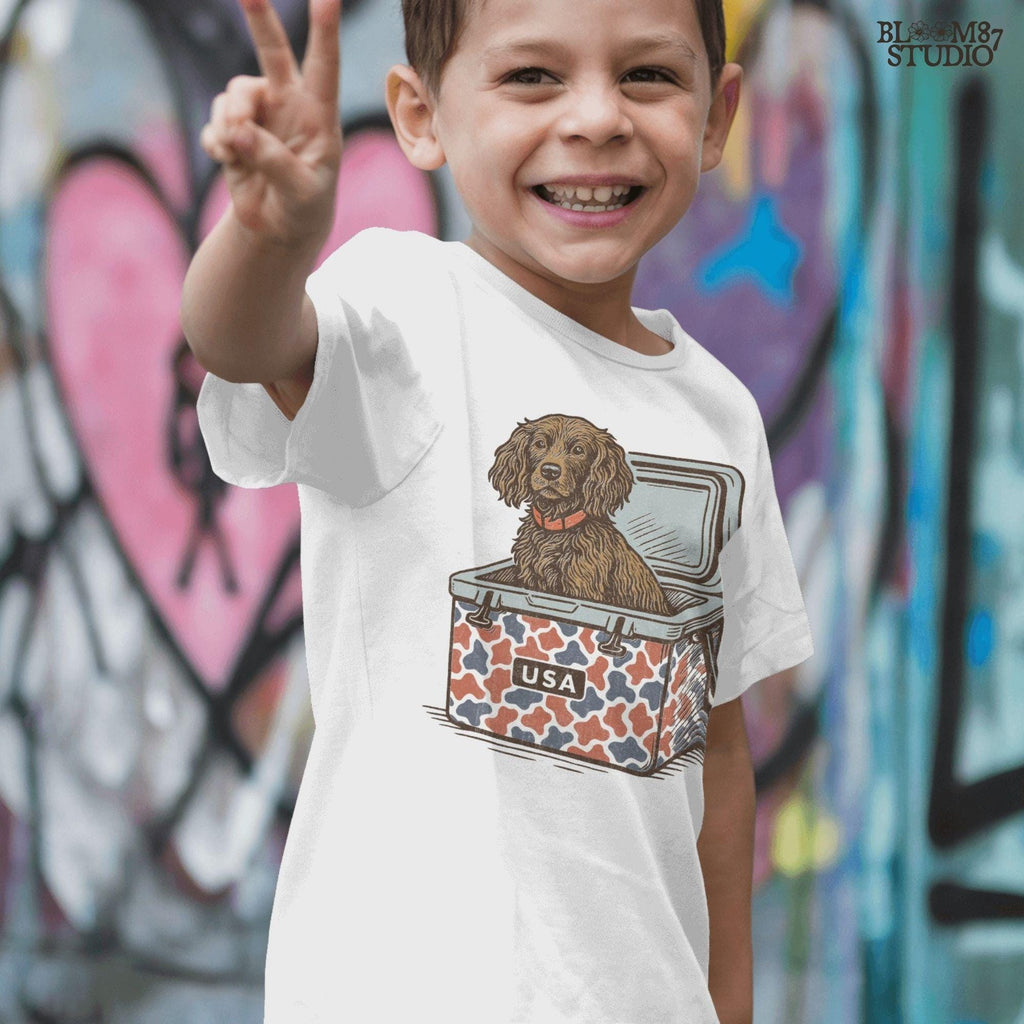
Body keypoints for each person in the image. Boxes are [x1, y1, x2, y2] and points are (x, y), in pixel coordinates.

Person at [181, 0, 814, 1020]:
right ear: (421, 115)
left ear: (714, 115)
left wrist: (726, 1004)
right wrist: (264, 238)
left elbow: (719, 748)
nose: (598, 116)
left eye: (648, 75)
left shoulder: (719, 415)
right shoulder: (403, 312)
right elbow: (243, 340)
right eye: (533, 77)